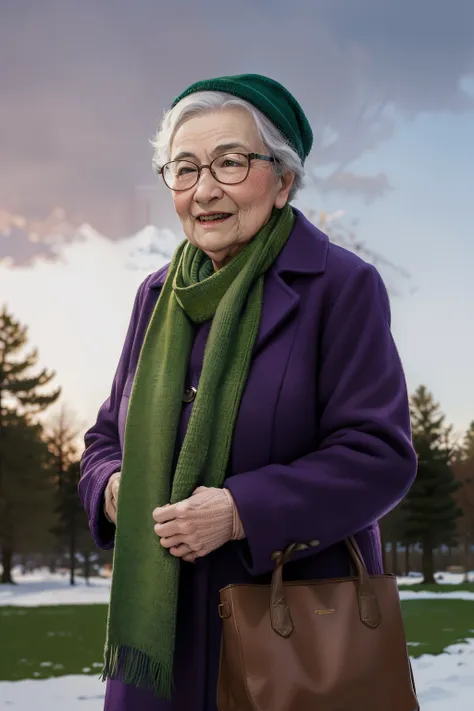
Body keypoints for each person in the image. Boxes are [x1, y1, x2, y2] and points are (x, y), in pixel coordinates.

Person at [79, 73, 417, 711]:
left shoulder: (341, 286)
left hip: (289, 640)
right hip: (161, 656)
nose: (204, 189)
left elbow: (379, 456)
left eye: (230, 163)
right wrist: (116, 486)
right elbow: (104, 439)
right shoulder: (156, 296)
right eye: (183, 168)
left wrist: (241, 510)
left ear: (283, 179)